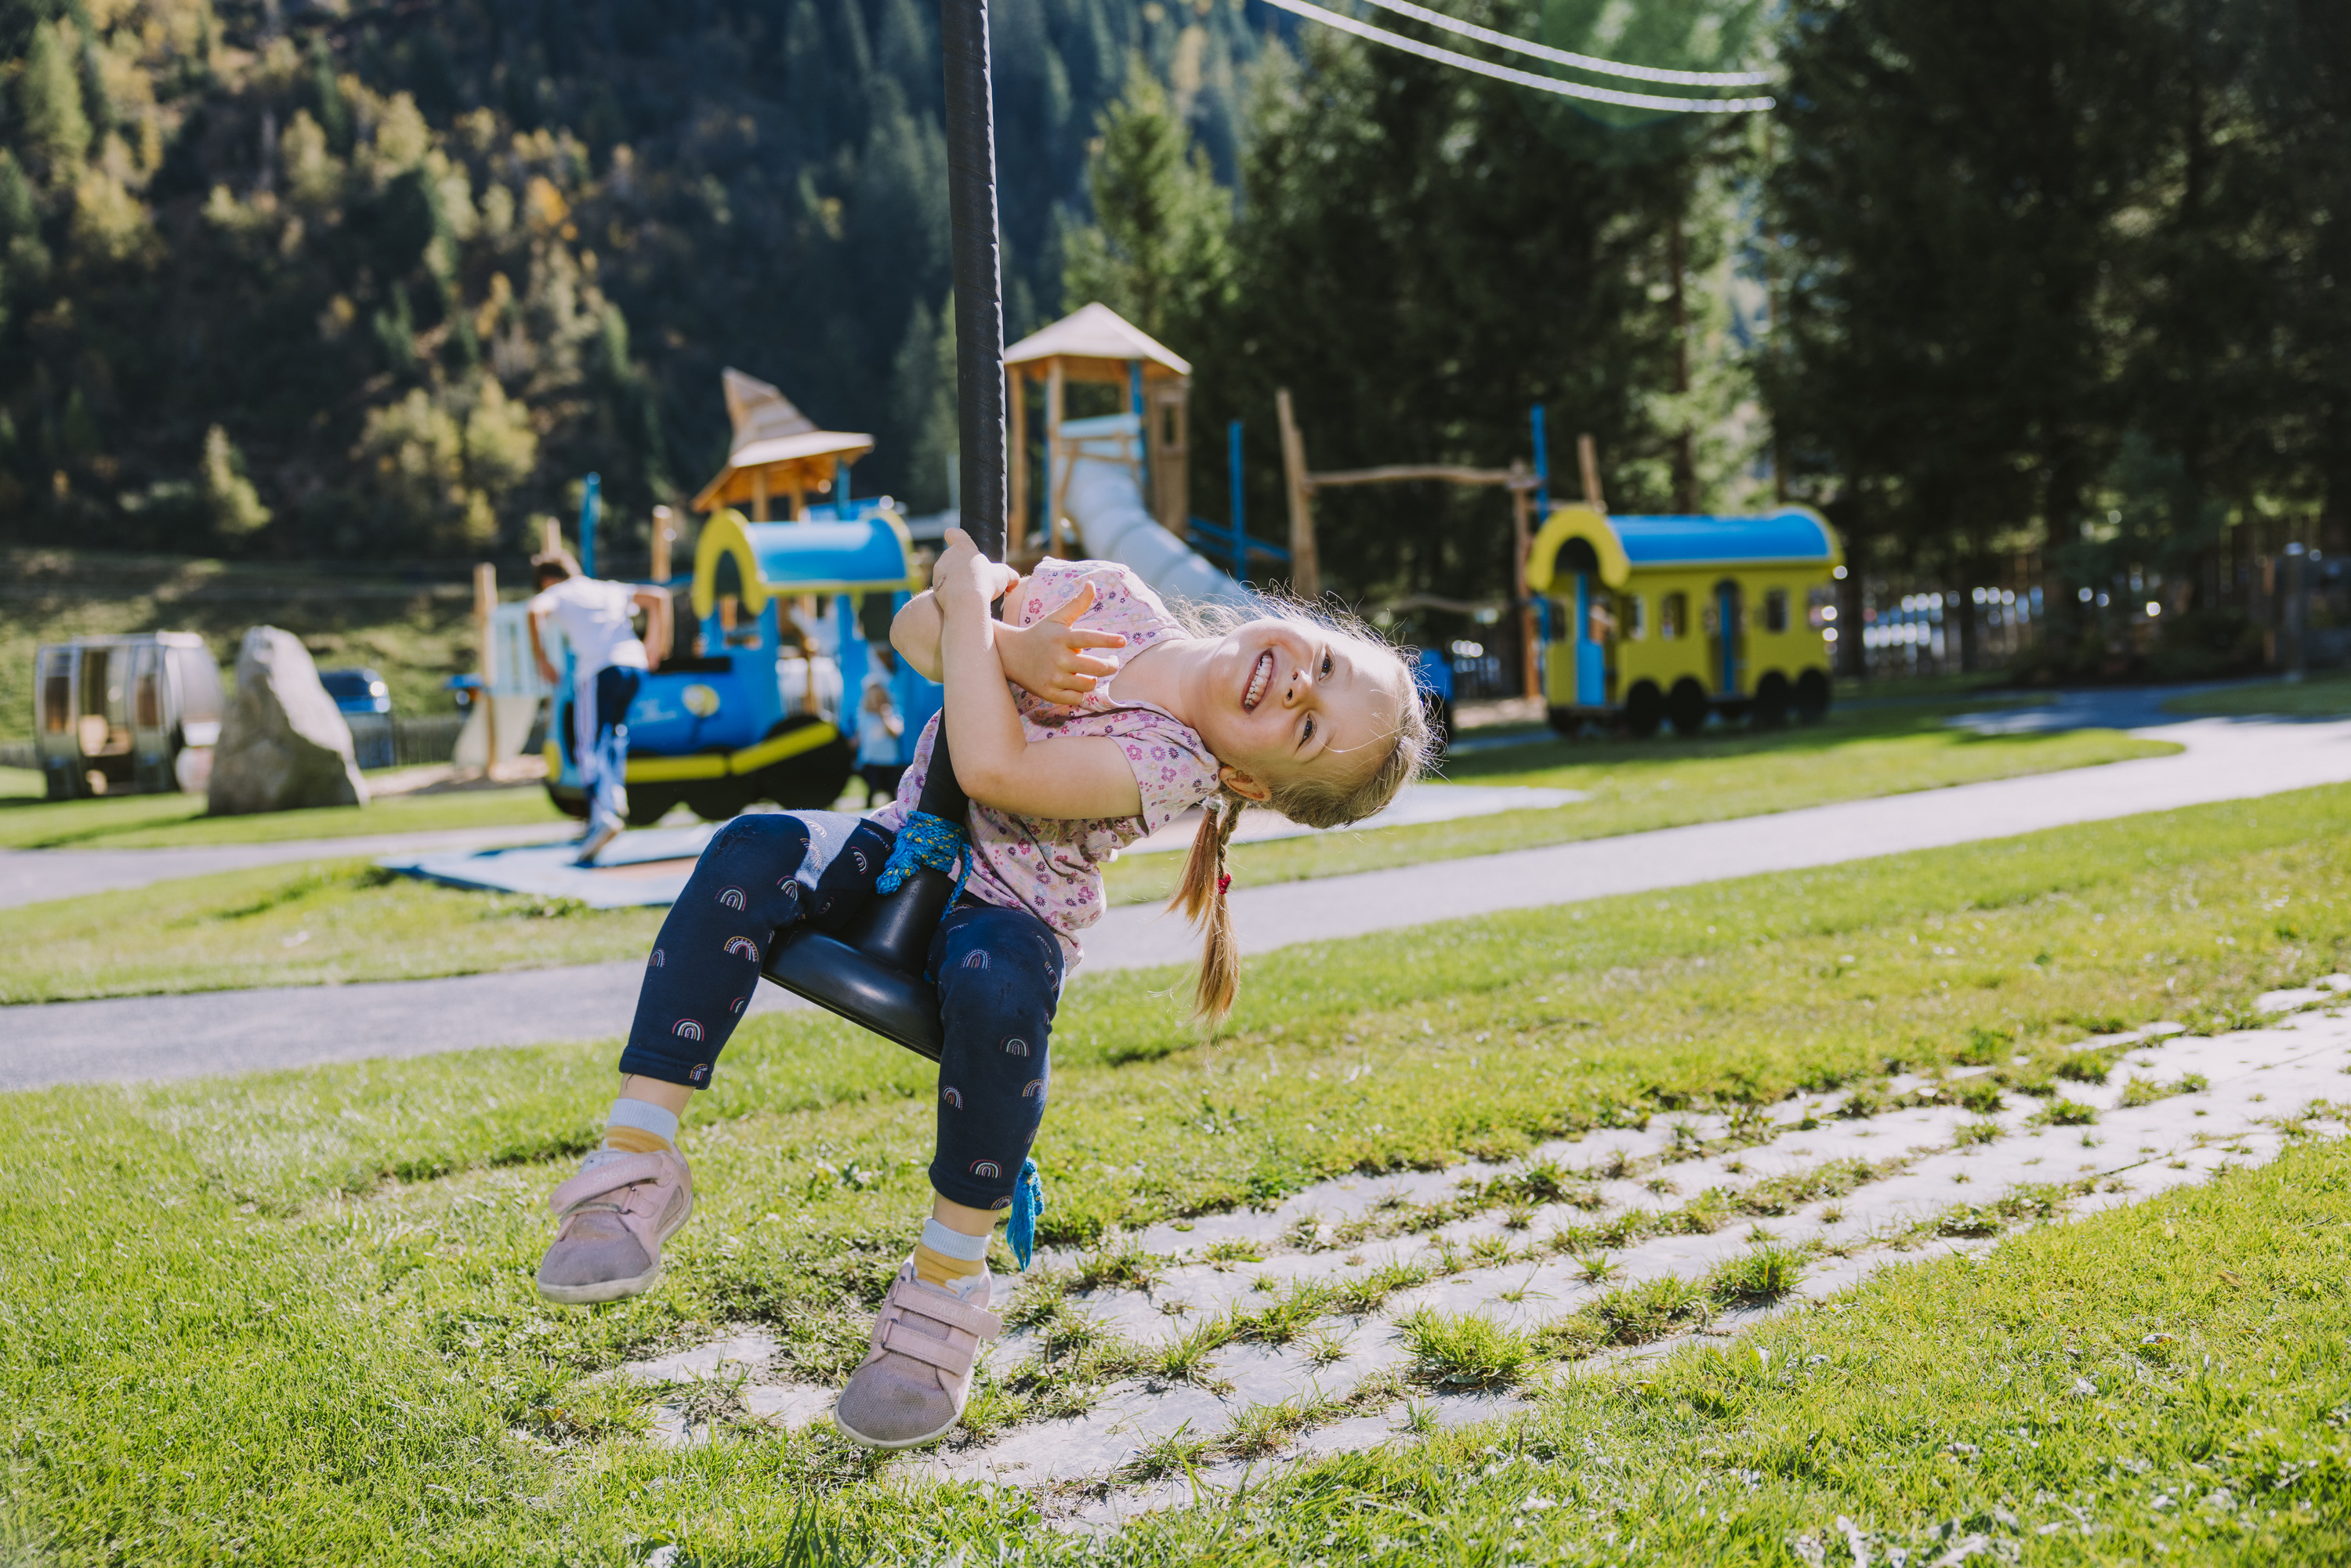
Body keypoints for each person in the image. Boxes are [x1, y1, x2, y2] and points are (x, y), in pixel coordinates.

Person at [530, 531, 1431, 1450]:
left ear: (1244, 781)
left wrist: (976, 618)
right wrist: (1003, 638)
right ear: (1300, 621)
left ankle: (946, 1278)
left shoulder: (1173, 764)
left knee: (1003, 987)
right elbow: (916, 632)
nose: (1300, 687)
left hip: (1012, 910)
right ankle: (637, 1160)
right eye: (1325, 664)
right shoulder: (1108, 594)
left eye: (1308, 729)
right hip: (902, 841)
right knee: (751, 847)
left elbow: (997, 770)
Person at [527, 550, 672, 864]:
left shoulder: (558, 592)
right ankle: (614, 795)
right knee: (615, 734)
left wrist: (542, 659)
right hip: (633, 666)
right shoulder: (607, 588)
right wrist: (655, 643)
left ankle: (604, 814)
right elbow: (658, 597)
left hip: (599, 670)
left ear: (548, 580)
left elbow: (533, 610)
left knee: (589, 745)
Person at [857, 645, 909, 806]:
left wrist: (885, 716)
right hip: (870, 760)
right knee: (872, 790)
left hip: (888, 760)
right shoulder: (864, 715)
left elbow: (896, 731)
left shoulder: (890, 712)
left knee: (891, 791)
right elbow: (859, 735)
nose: (877, 702)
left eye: (879, 698)